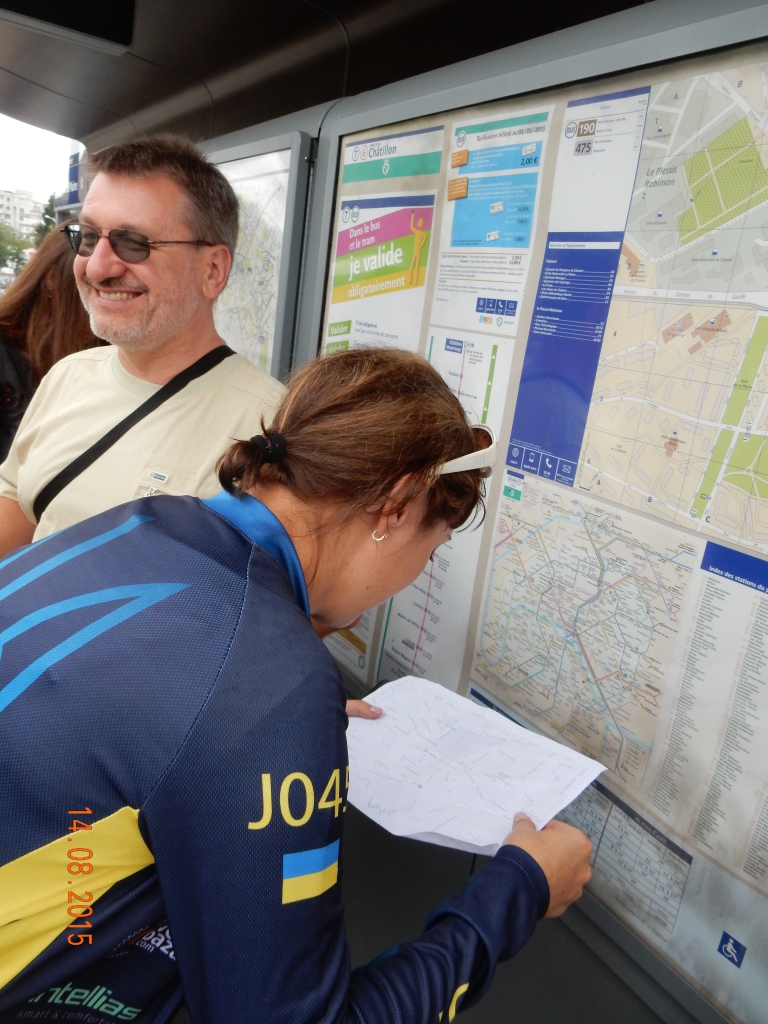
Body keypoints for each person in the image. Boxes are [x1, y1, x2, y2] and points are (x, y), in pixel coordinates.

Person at [0, 347, 592, 1024]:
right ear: (397, 505)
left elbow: (127, 702)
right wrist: (517, 891)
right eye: (430, 551)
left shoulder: (147, 522)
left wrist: (257, 727)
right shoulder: (265, 681)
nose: (414, 575)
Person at [0, 135, 285, 557]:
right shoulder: (67, 375)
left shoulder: (273, 427)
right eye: (89, 237)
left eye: (134, 242)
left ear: (212, 270)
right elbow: (16, 508)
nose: (97, 267)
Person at [0, 219, 99, 462]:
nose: (105, 299)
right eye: (92, 282)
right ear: (53, 278)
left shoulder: (107, 355)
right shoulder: (6, 353)